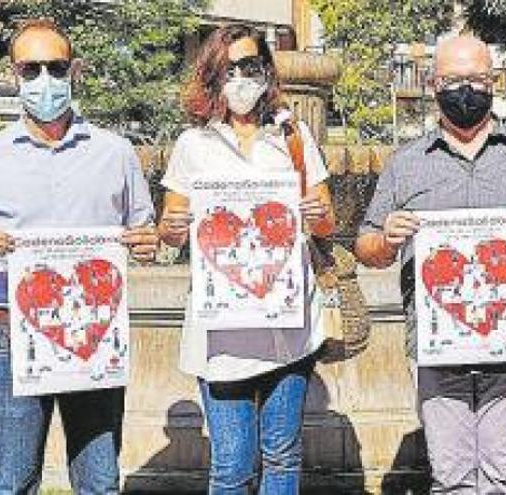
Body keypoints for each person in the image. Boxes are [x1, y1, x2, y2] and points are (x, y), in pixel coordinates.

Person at [0, 19, 158, 494]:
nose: (44, 81)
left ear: (73, 71)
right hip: (10, 332)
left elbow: (145, 238)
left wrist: (147, 245)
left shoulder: (115, 154)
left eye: (55, 67)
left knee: (99, 481)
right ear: (15, 75)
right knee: (12, 482)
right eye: (31, 69)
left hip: (92, 333)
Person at [355, 35, 506, 494]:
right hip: (438, 344)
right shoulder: (405, 163)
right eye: (454, 80)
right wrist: (386, 240)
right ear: (433, 84)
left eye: (478, 79)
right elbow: (365, 245)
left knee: (501, 476)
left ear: (494, 83)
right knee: (451, 477)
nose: (467, 90)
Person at [157, 24, 335, 495]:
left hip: (287, 326)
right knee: (232, 466)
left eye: (250, 66)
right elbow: (171, 226)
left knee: (282, 455)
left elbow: (326, 223)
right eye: (229, 68)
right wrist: (173, 228)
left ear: (266, 70)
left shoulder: (293, 138)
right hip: (222, 335)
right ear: (212, 75)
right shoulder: (193, 145)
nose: (240, 78)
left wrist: (317, 215)